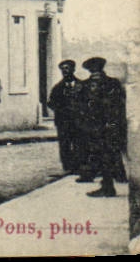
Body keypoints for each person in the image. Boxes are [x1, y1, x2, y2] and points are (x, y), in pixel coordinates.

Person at [79, 56, 127, 197]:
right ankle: (108, 184)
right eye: (93, 72)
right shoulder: (87, 85)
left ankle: (108, 186)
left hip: (107, 125)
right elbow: (80, 106)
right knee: (102, 155)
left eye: (96, 72)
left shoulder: (111, 84)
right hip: (97, 127)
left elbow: (119, 104)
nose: (95, 75)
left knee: (106, 155)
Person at [46, 59, 86, 176]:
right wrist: (60, 109)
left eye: (67, 68)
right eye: (63, 69)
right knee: (64, 144)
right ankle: (68, 167)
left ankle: (79, 165)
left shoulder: (81, 85)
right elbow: (50, 102)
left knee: (78, 142)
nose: (65, 71)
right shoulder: (57, 88)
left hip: (78, 121)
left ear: (73, 69)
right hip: (63, 121)